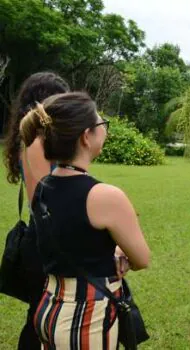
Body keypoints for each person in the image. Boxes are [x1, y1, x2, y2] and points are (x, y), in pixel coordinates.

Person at [18, 92, 150, 349]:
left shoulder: (43, 186)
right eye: (102, 125)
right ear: (85, 136)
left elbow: (74, 238)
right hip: (87, 318)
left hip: (49, 308)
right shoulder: (104, 196)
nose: (105, 130)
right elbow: (142, 259)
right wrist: (122, 250)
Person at [3, 71, 70, 349]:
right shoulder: (35, 145)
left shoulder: (44, 143)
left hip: (48, 241)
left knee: (44, 317)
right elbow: (41, 203)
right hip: (43, 245)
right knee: (39, 320)